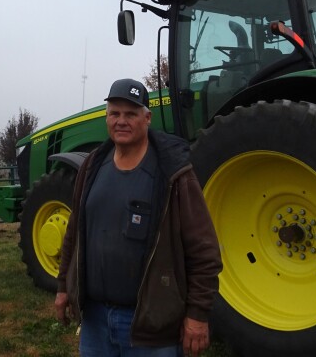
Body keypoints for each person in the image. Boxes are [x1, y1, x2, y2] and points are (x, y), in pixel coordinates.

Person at [54, 78, 222, 357]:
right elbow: (75, 233)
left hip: (151, 326)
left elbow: (204, 250)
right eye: (115, 113)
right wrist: (63, 287)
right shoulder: (92, 166)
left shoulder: (173, 174)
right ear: (106, 117)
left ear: (147, 118)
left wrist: (197, 314)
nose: (121, 120)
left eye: (131, 114)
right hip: (95, 320)